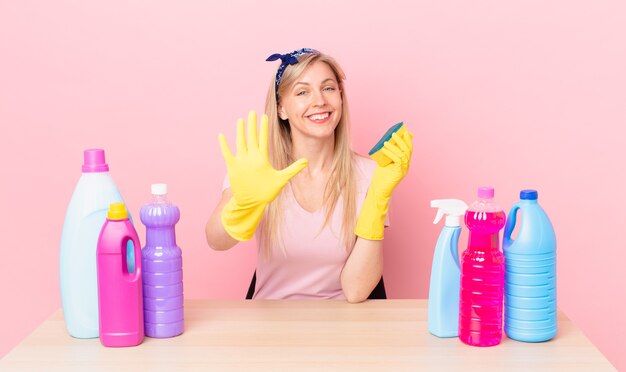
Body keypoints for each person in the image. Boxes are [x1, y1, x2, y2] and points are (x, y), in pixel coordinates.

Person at [205, 48, 413, 302]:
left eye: (328, 88)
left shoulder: (371, 175)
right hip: (268, 324)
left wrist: (379, 195)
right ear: (281, 109)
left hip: (343, 328)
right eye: (302, 92)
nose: (319, 101)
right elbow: (216, 241)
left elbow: (357, 291)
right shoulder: (258, 170)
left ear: (340, 97)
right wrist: (245, 204)